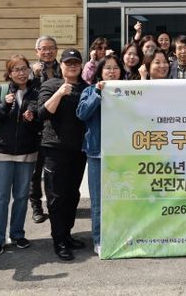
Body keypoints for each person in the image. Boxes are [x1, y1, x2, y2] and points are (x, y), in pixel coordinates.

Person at [0, 54, 40, 256]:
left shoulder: (36, 92)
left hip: (27, 152)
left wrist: (32, 119)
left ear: (29, 70)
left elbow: (42, 122)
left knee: (22, 197)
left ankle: (17, 234)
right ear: (9, 73)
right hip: (2, 152)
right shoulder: (1, 90)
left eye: (24, 68)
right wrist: (5, 105)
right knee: (1, 198)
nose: (21, 73)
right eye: (16, 69)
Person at [37, 48, 88, 261]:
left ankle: (67, 234)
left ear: (81, 65)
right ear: (61, 65)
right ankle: (58, 241)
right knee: (56, 196)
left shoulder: (86, 87)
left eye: (76, 62)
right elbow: (42, 113)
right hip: (55, 149)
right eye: (68, 62)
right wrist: (59, 93)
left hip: (78, 150)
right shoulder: (51, 85)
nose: (73, 66)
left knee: (72, 195)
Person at [77, 54, 122, 255]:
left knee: (121, 197)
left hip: (122, 153)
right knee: (98, 200)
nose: (112, 71)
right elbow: (82, 114)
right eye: (107, 68)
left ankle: (119, 235)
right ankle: (99, 238)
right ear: (100, 72)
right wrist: (97, 92)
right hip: (97, 153)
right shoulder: (89, 90)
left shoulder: (128, 90)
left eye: (115, 68)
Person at [28, 35, 61, 224]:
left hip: (56, 126)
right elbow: (23, 92)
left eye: (51, 48)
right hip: (35, 126)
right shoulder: (30, 71)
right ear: (37, 51)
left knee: (54, 170)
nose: (47, 52)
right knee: (35, 170)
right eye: (43, 48)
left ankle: (54, 205)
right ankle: (36, 206)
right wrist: (33, 76)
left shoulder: (62, 68)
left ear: (56, 50)